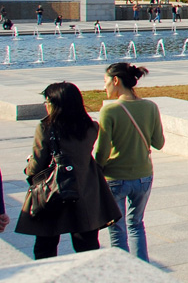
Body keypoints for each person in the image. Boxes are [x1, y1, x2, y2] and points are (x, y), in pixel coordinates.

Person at [15, 82, 121, 259]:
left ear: (56, 104)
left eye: (47, 101)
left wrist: (28, 168)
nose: (46, 105)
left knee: (45, 246)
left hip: (53, 192)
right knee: (87, 245)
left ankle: (49, 282)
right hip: (85, 190)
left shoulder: (46, 127)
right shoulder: (90, 126)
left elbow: (37, 164)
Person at [96, 63, 165, 262]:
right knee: (136, 224)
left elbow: (102, 151)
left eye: (105, 82)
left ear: (115, 80)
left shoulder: (110, 111)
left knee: (117, 228)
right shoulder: (151, 106)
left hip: (116, 178)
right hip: (144, 176)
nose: (104, 87)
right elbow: (159, 143)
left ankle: (123, 271)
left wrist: (96, 170)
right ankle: (142, 269)